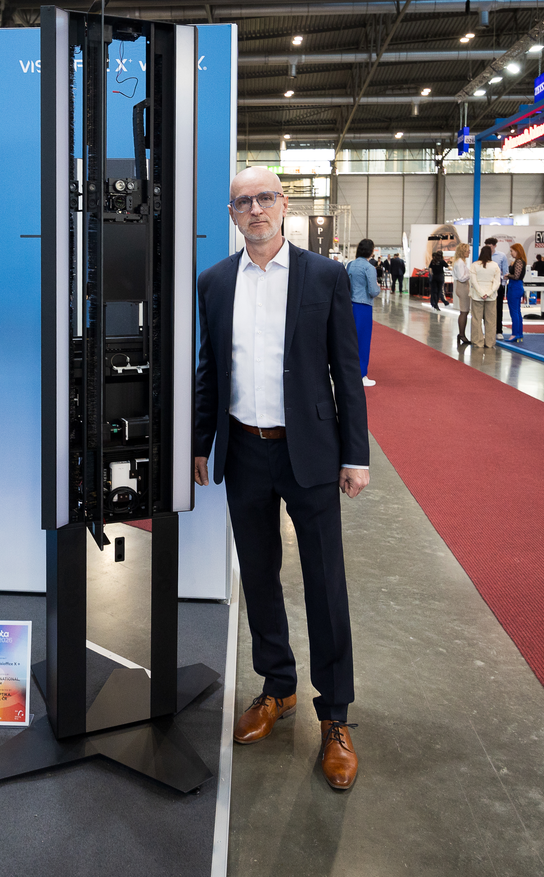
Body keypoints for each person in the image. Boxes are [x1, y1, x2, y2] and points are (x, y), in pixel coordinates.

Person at [193, 166, 369, 791]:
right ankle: (277, 686)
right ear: (233, 213)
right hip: (245, 450)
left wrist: (356, 454)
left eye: (265, 198)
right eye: (243, 202)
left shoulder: (324, 276)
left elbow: (346, 370)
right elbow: (210, 369)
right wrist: (201, 443)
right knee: (259, 576)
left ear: (284, 204)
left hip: (311, 453)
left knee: (324, 582)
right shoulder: (214, 282)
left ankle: (336, 715)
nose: (256, 210)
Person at [347, 239, 382, 385]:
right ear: (371, 251)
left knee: (349, 341)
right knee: (363, 341)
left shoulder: (350, 265)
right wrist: (378, 287)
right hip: (363, 306)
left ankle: (347, 372)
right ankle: (361, 375)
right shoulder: (369, 268)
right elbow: (373, 291)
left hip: (349, 305)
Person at [469, 245, 501, 348]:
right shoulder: (495, 266)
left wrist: (481, 293)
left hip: (477, 296)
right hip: (491, 297)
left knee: (476, 320)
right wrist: (488, 293)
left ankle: (478, 342)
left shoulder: (474, 265)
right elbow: (497, 282)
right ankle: (490, 342)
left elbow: (473, 282)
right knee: (491, 320)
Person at [484, 238, 508, 336]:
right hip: (486, 286)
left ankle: (499, 330)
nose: (489, 248)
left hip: (498, 286)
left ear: (495, 246)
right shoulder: (484, 256)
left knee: (498, 308)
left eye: (490, 246)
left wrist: (502, 285)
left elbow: (505, 271)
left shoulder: (501, 256)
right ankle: (488, 330)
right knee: (487, 309)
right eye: (487, 246)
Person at [506, 243, 528, 343]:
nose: (511, 253)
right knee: (517, 312)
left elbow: (516, 276)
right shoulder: (520, 261)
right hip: (517, 286)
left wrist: (508, 275)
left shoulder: (519, 261)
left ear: (517, 251)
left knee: (514, 312)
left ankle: (515, 334)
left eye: (512, 251)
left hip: (514, 287)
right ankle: (519, 333)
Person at [452, 243, 472, 346]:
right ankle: (462, 334)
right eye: (467, 250)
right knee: (464, 311)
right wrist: (471, 274)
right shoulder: (460, 262)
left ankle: (462, 334)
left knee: (465, 311)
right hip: (462, 286)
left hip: (463, 286)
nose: (469, 252)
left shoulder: (460, 262)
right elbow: (461, 277)